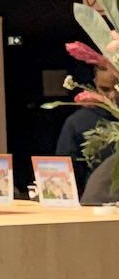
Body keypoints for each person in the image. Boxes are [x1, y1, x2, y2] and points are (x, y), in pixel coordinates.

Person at [55, 60, 117, 194]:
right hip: (97, 205)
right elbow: (66, 177)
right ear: (95, 83)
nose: (113, 95)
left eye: (118, 87)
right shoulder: (78, 123)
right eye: (105, 89)